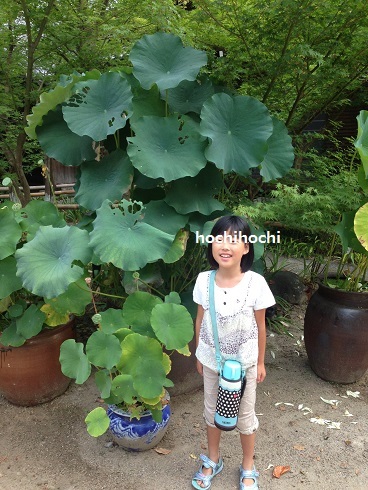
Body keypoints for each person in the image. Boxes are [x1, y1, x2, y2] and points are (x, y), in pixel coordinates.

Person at [191, 215, 275, 490]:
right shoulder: (204, 281)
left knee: (245, 418)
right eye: (219, 238)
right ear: (211, 244)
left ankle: (248, 464)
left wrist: (260, 362)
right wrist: (198, 354)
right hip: (212, 362)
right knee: (211, 412)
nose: (225, 245)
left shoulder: (257, 283)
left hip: (246, 365)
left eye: (234, 239)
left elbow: (261, 327)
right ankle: (213, 458)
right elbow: (200, 319)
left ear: (247, 248)